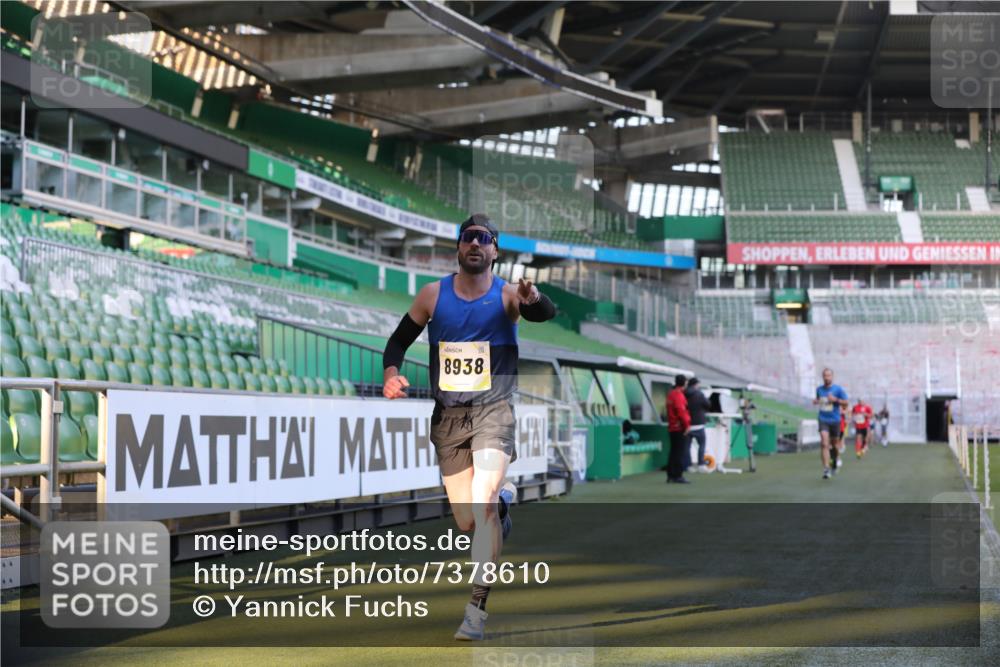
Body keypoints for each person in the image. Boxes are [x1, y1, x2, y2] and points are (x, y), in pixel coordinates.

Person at [381, 214, 556, 640]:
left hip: (494, 409)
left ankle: (476, 610)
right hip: (449, 417)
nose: (475, 243)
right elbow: (398, 341)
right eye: (468, 238)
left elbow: (544, 313)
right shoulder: (432, 295)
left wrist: (533, 299)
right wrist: (390, 373)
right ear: (458, 248)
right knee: (467, 521)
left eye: (484, 239)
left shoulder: (510, 295)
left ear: (495, 251)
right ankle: (502, 509)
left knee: (484, 500)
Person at [813, 368, 848, 480]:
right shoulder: (819, 389)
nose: (827, 377)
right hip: (823, 419)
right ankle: (826, 469)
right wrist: (816, 401)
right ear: (823, 377)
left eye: (829, 375)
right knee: (824, 443)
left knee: (835, 446)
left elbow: (846, 403)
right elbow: (819, 399)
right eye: (825, 375)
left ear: (832, 377)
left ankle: (835, 459)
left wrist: (836, 400)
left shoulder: (838, 389)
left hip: (835, 420)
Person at [666, 374, 691, 484]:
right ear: (684, 383)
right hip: (679, 427)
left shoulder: (671, 394)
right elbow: (682, 412)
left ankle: (671, 475)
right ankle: (678, 475)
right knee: (680, 452)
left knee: (674, 452)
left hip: (672, 427)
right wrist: (687, 426)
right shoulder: (678, 395)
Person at [684, 377, 711, 473]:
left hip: (686, 424)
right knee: (702, 445)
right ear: (696, 384)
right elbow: (708, 405)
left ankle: (688, 466)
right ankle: (701, 465)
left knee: (687, 447)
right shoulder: (699, 394)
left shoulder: (683, 393)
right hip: (699, 424)